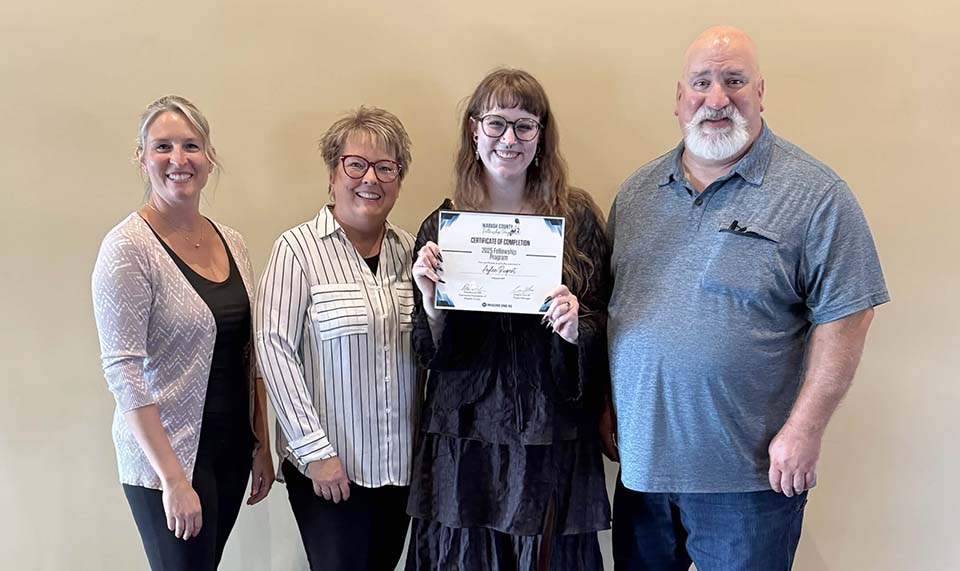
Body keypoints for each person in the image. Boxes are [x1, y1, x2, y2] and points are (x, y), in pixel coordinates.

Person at [607, 26, 890, 570]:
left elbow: (850, 315)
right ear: (679, 99)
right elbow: (620, 313)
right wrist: (605, 401)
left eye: (734, 81)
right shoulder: (637, 194)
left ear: (760, 92)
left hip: (750, 482)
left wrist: (805, 429)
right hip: (642, 475)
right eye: (702, 83)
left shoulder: (815, 193)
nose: (716, 99)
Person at [407, 68, 611, 570]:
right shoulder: (442, 225)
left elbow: (607, 321)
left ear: (541, 137)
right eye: (497, 123)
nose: (509, 139)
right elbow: (429, 349)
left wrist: (575, 326)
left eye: (525, 125)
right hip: (464, 432)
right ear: (474, 131)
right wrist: (432, 301)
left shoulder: (578, 217)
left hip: (550, 430)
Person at [92, 95, 274, 570]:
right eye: (163, 146)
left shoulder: (231, 241)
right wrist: (173, 479)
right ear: (142, 157)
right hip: (166, 460)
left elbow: (250, 353)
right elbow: (124, 373)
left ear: (209, 158)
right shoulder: (127, 249)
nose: (178, 159)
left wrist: (262, 442)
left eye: (191, 146)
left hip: (231, 447)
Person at [254, 107, 417, 571]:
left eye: (387, 167)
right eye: (356, 164)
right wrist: (315, 452)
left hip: (400, 467)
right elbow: (273, 349)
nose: (371, 178)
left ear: (399, 181)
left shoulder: (414, 251)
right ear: (332, 174)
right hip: (332, 469)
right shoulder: (298, 249)